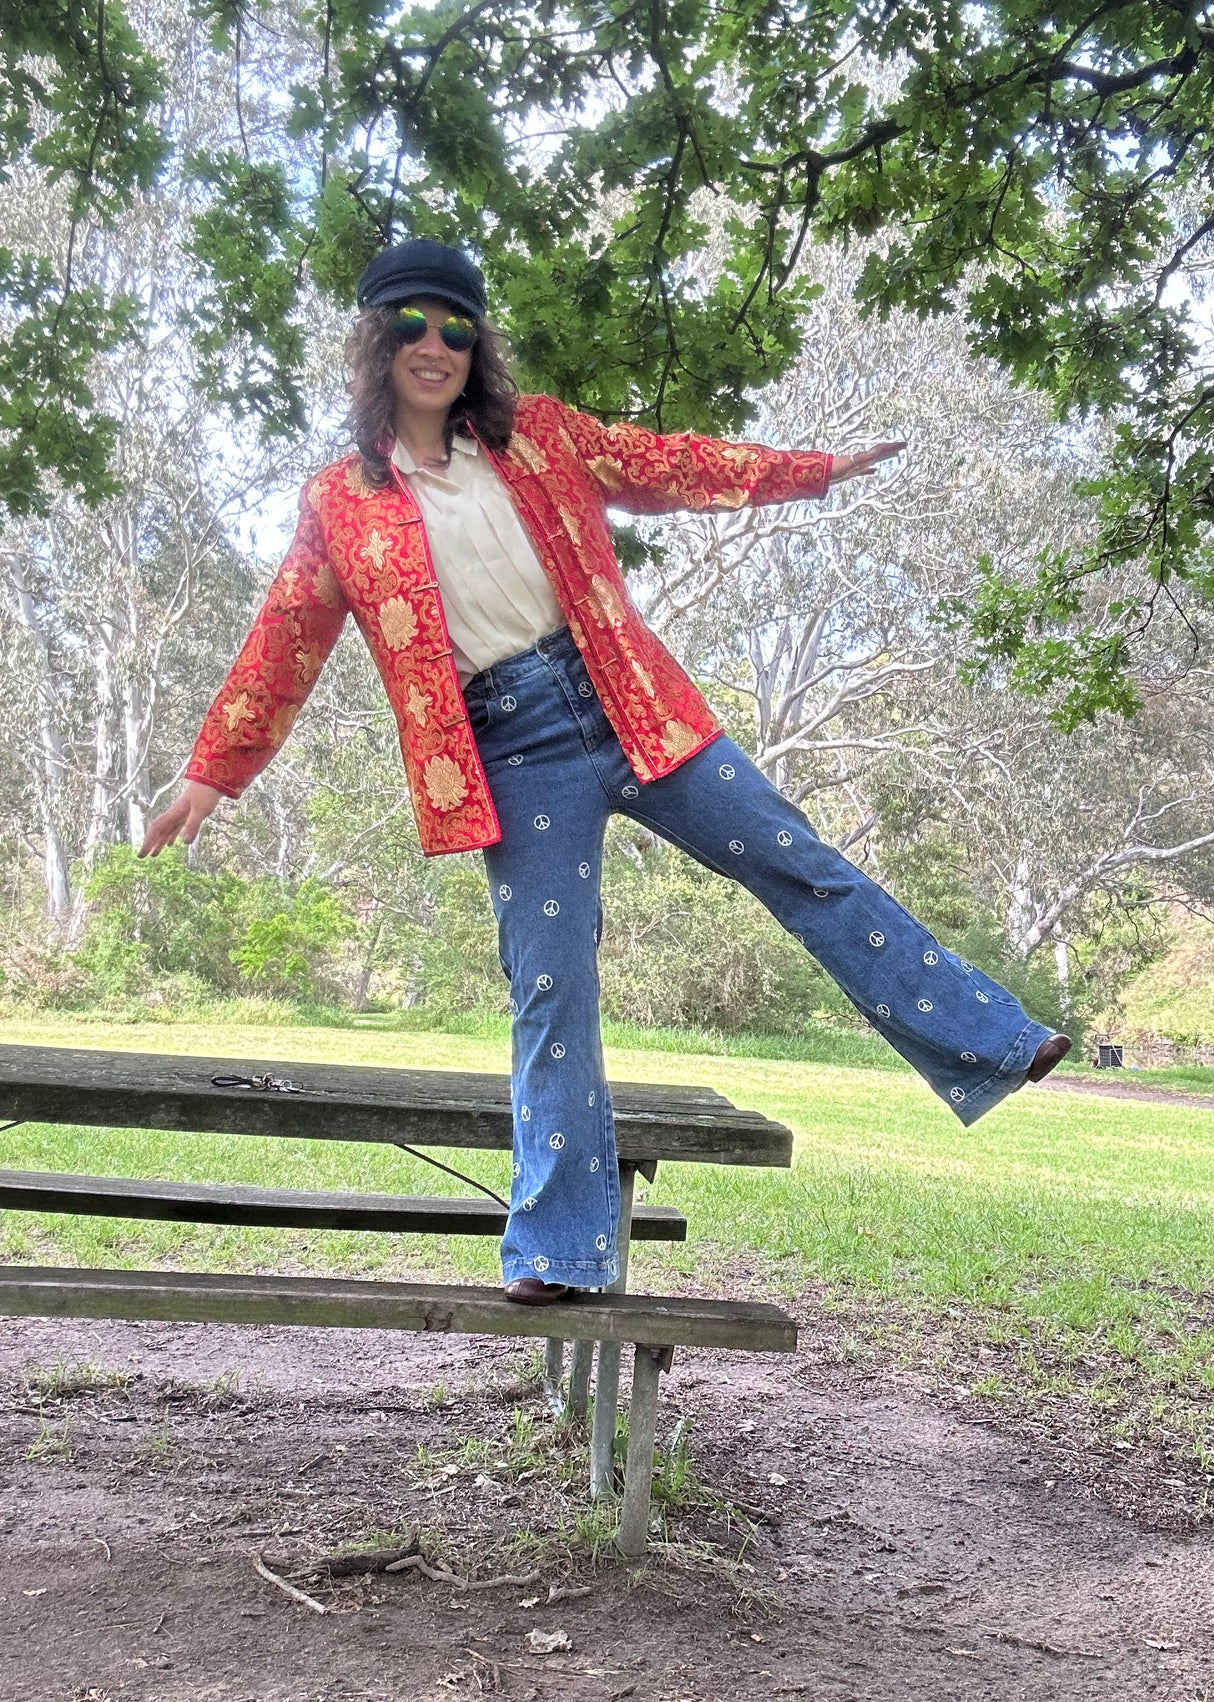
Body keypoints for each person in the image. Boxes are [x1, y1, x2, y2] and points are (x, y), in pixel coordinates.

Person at [143, 239, 1071, 1304]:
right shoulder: (339, 502)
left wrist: (808, 472)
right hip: (511, 751)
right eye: (411, 325)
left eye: (456, 326)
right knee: (549, 984)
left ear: (476, 343)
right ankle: (560, 1249)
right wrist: (214, 772)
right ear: (375, 344)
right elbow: (284, 640)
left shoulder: (538, 434)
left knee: (796, 859)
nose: (435, 345)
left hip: (630, 704)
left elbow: (668, 465)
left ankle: (991, 1041)